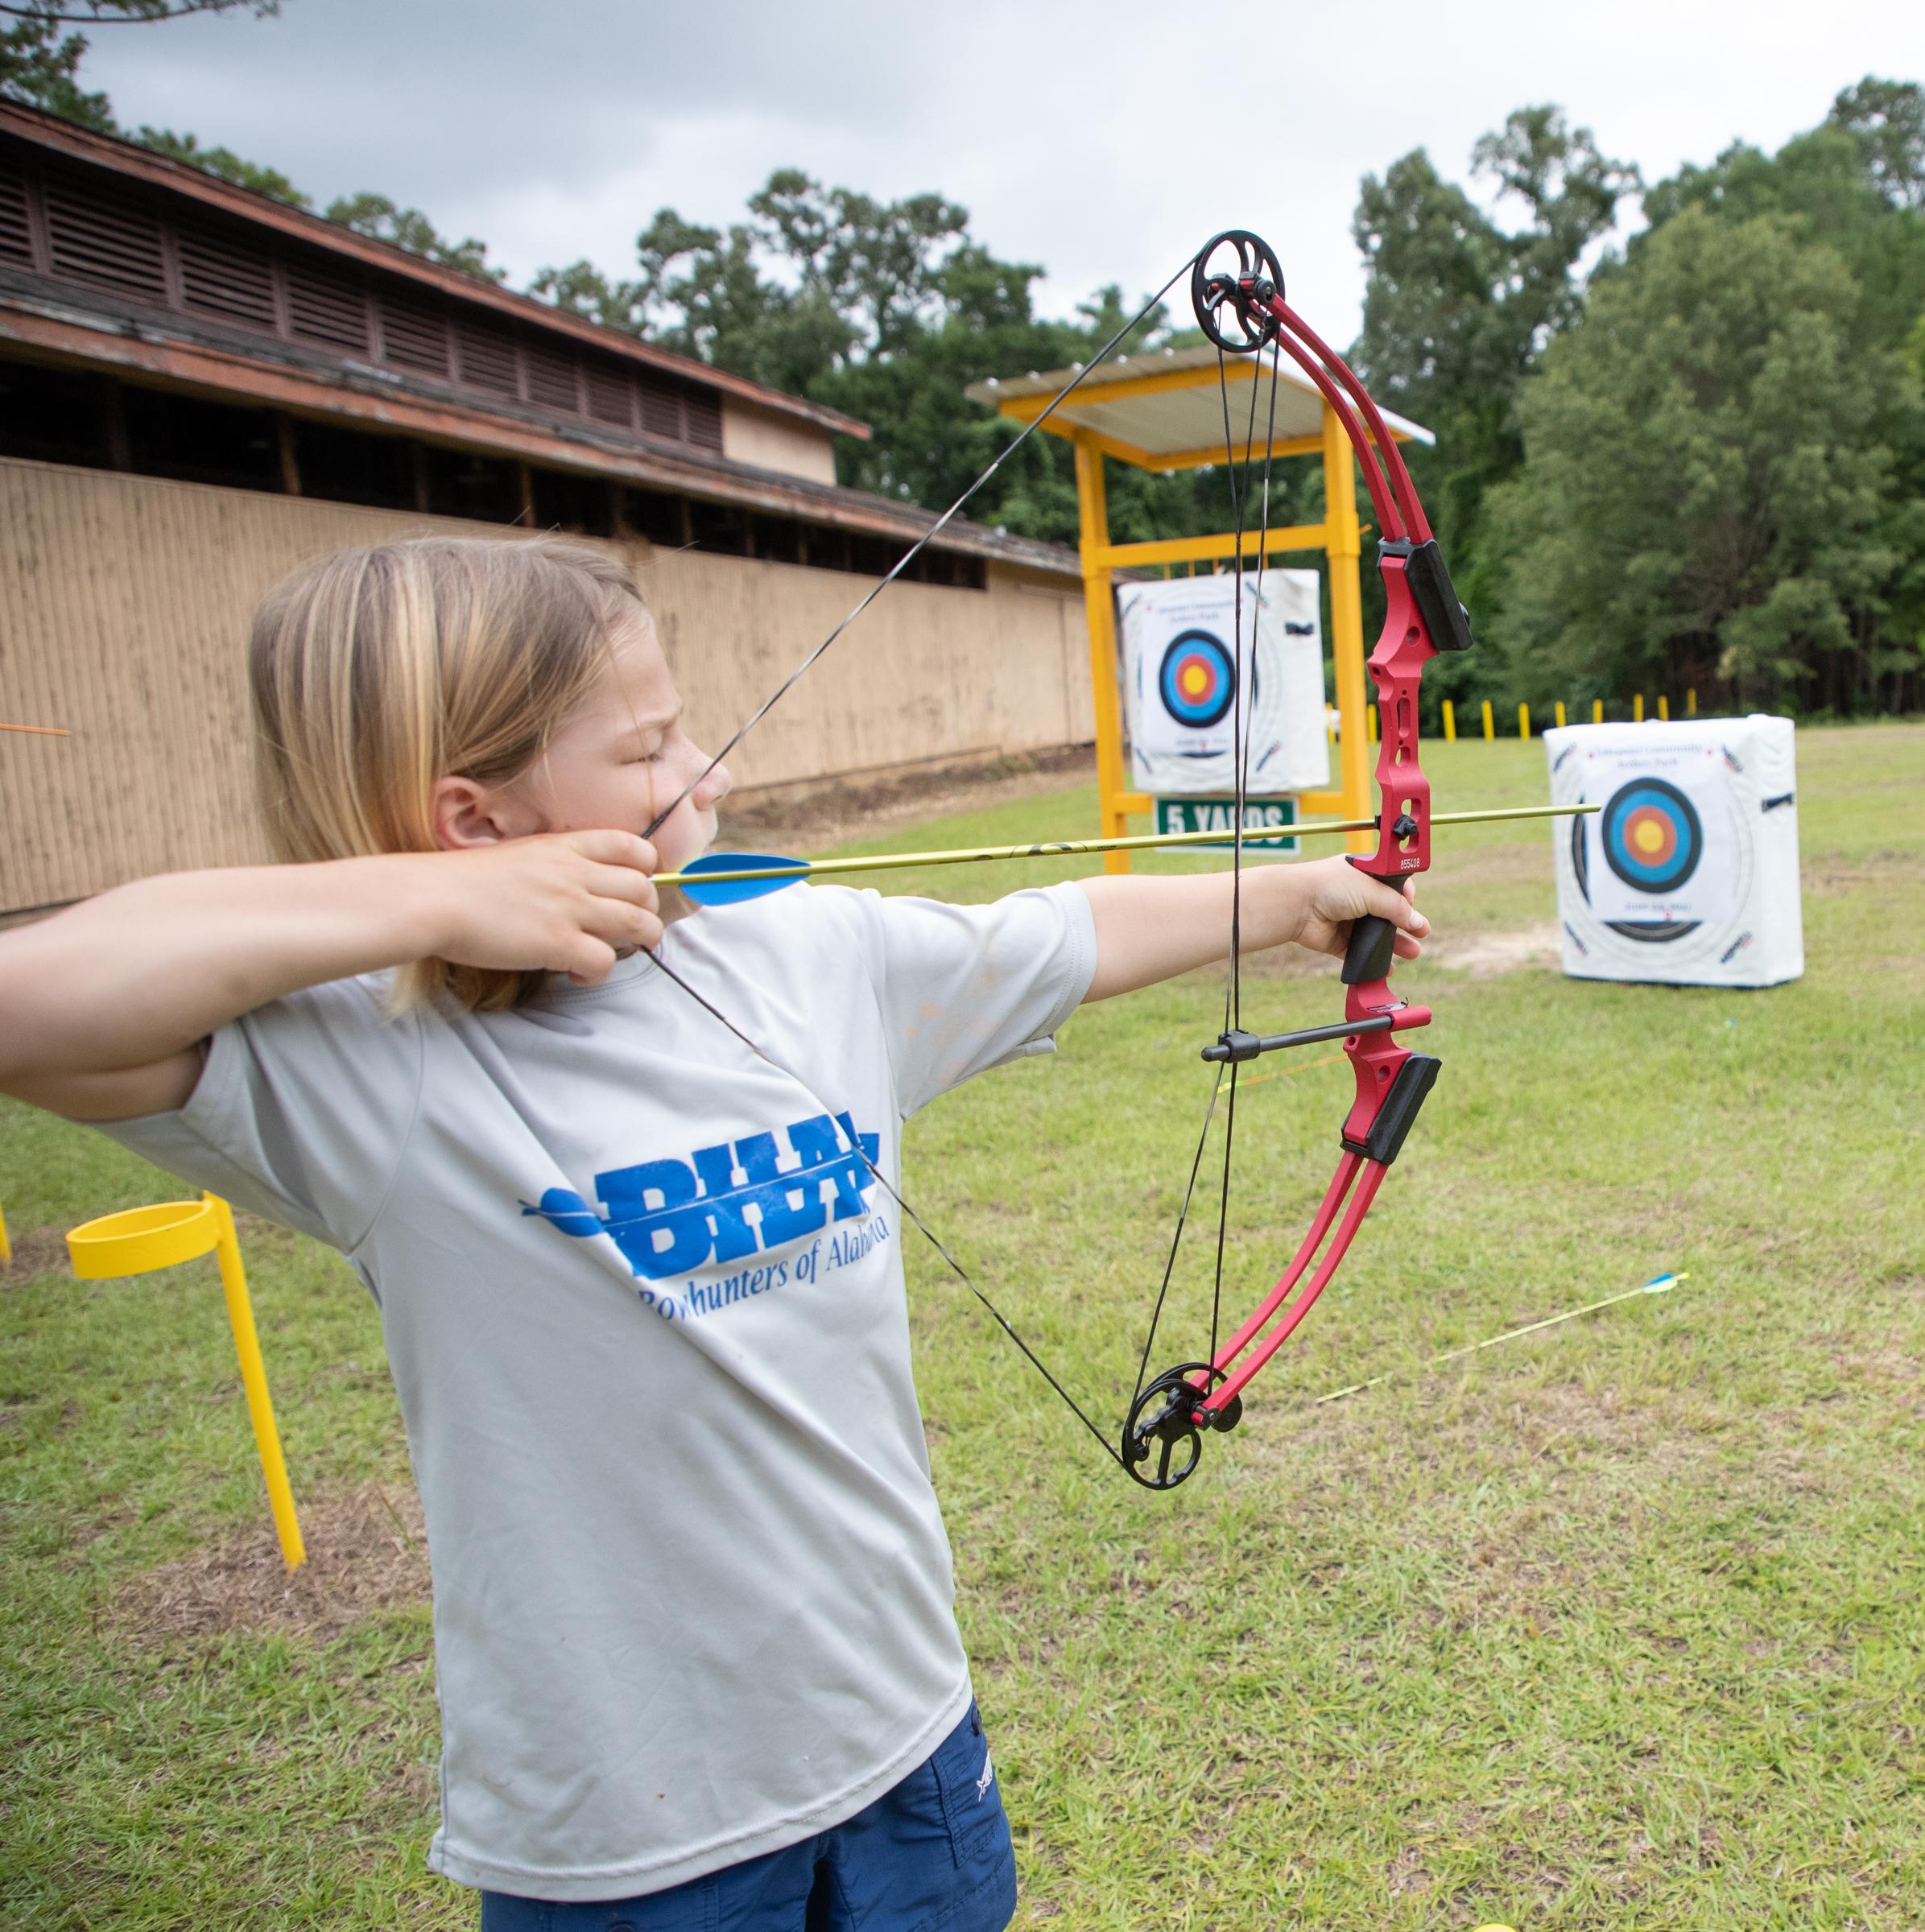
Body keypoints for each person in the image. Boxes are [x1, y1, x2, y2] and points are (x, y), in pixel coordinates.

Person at [0, 536, 1424, 1926]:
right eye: (645, 754)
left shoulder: (806, 959)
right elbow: (31, 998)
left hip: (906, 1747)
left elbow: (1060, 932)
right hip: (629, 1841)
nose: (707, 776)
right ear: (472, 819)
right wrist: (433, 908)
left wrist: (1292, 895)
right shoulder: (376, 1074)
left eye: (685, 732)